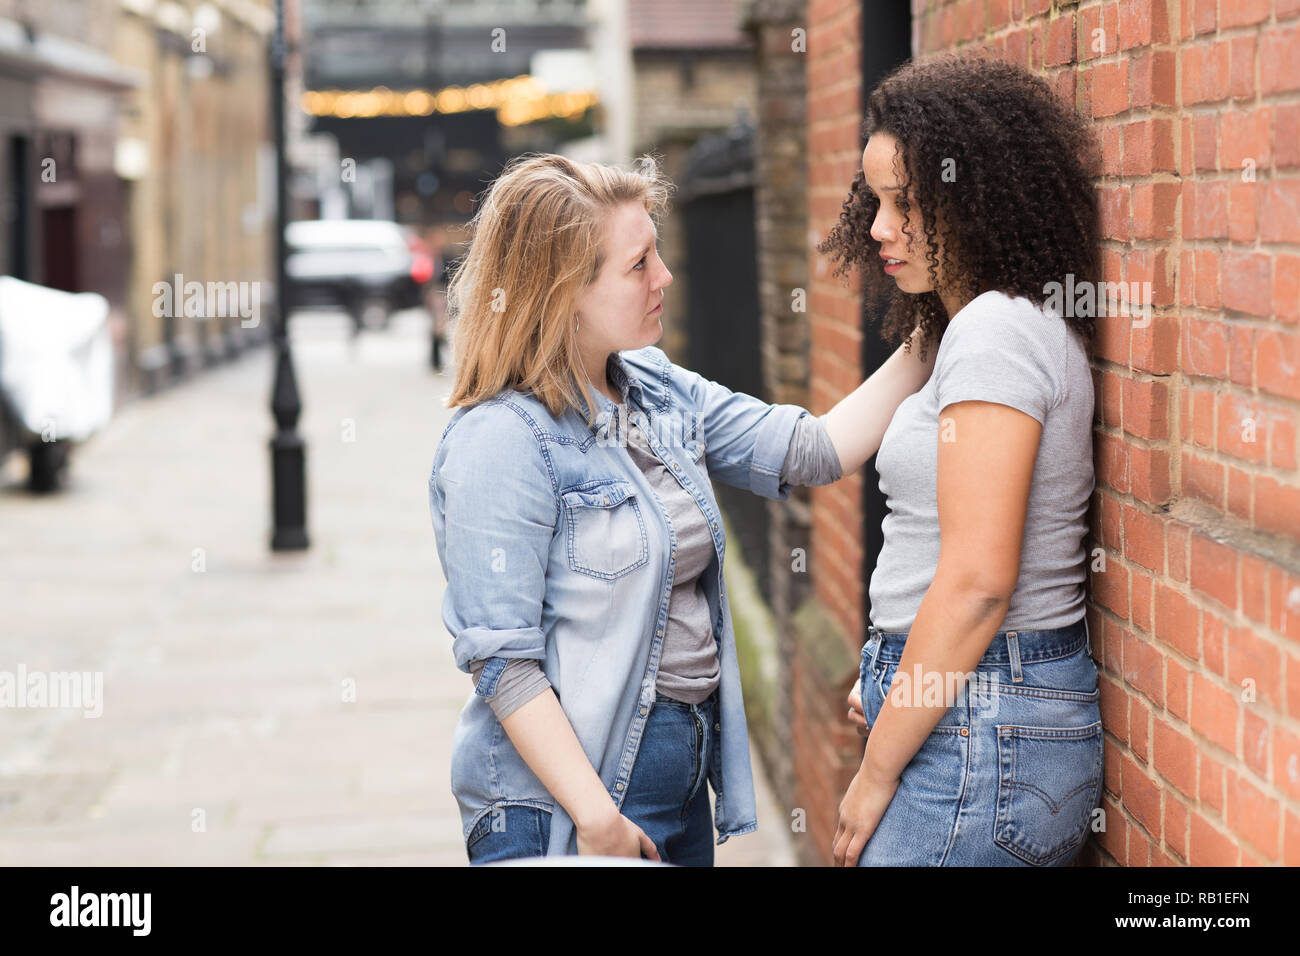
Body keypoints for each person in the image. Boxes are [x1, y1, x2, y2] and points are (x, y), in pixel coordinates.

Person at [427, 152, 936, 864]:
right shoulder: (501, 441)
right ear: (563, 291)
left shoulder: (656, 389)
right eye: (639, 265)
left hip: (677, 785)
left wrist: (941, 318)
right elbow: (502, 663)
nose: (665, 276)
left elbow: (812, 449)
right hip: (567, 808)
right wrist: (596, 819)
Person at [822, 51, 1105, 866]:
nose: (879, 228)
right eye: (873, 200)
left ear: (978, 197)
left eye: (906, 204)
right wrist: (893, 673)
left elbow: (981, 581)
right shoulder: (971, 330)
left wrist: (875, 773)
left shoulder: (994, 334)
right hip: (978, 708)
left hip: (982, 725)